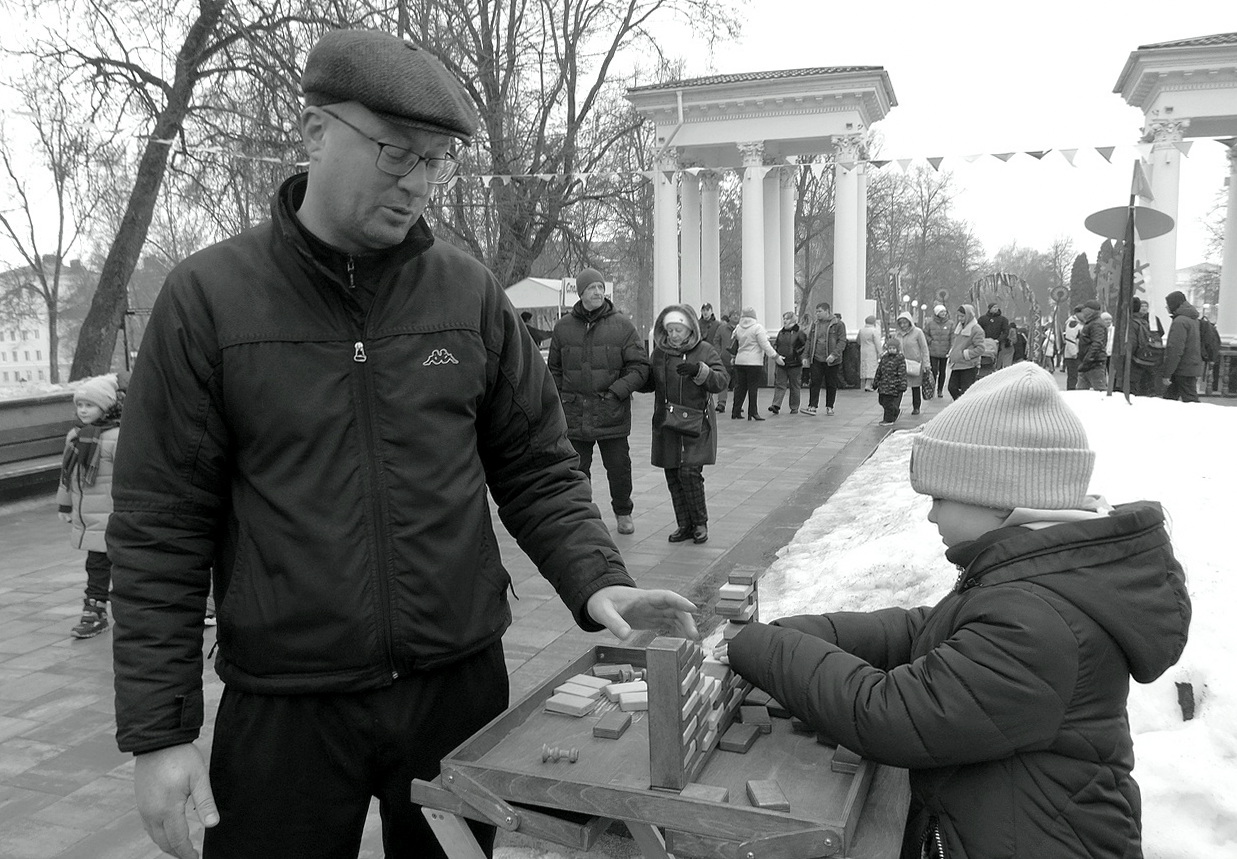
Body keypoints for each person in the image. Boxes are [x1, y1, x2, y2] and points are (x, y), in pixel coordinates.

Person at [106, 29, 698, 859]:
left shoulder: (467, 293)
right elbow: (158, 525)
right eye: (396, 154)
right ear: (316, 134)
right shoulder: (208, 300)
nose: (419, 183)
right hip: (286, 706)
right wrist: (161, 734)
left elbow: (534, 466)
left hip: (456, 690)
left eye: (437, 161)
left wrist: (601, 581)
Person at [722, 362, 1191, 859]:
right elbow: (924, 631)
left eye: (939, 497)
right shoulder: (1040, 575)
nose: (930, 513)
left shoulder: (1042, 623)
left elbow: (891, 715)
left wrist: (757, 644)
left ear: (996, 495)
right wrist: (798, 631)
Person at [549, 267, 650, 536]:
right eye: (591, 288)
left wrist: (617, 391)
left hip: (611, 411)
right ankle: (583, 517)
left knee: (619, 468)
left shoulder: (622, 326)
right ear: (580, 293)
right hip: (574, 413)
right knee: (576, 471)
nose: (597, 292)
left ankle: (623, 512)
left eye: (600, 288)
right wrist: (560, 398)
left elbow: (640, 367)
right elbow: (554, 371)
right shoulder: (563, 327)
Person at [641, 305, 728, 544]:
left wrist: (700, 371)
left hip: (696, 423)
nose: (673, 335)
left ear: (689, 328)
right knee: (672, 473)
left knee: (690, 472)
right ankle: (684, 524)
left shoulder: (705, 350)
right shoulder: (660, 353)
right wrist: (633, 374)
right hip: (667, 422)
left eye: (678, 329)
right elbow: (649, 382)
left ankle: (699, 523)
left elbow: (721, 380)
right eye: (670, 330)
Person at [57, 374, 122, 639]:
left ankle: (130, 609)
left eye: (89, 405)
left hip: (115, 516)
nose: (83, 410)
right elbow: (67, 474)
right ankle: (94, 611)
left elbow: (129, 476)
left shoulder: (117, 436)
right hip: (90, 519)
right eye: (80, 405)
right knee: (96, 565)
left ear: (105, 407)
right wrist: (64, 505)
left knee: (124, 565)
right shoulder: (75, 436)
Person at [729, 306, 783, 421]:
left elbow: (734, 343)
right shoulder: (757, 328)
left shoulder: (738, 328)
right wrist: (776, 357)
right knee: (752, 388)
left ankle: (736, 411)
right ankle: (753, 412)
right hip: (754, 362)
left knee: (740, 387)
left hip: (740, 361)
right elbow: (765, 345)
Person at [804, 303, 846, 416]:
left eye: (819, 311)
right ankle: (812, 406)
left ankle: (829, 406)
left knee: (831, 383)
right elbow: (809, 340)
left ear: (827, 311)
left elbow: (842, 341)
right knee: (814, 382)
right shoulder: (815, 324)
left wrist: (834, 354)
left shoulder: (838, 324)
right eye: (816, 311)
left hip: (831, 360)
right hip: (816, 357)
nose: (817, 314)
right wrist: (805, 356)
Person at [1162, 290, 1203, 404]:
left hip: (1182, 368)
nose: (1166, 307)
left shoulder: (1180, 321)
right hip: (1190, 365)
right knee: (1170, 399)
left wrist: (1167, 373)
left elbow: (1175, 349)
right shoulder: (1192, 319)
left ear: (1174, 304)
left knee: (1190, 401)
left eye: (1168, 304)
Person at [769, 311, 806, 415]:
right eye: (784, 318)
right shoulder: (781, 332)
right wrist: (776, 352)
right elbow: (776, 343)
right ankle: (776, 405)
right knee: (780, 384)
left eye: (787, 318)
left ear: (793, 320)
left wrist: (797, 353)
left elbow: (805, 345)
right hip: (782, 362)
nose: (785, 321)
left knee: (795, 386)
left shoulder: (799, 332)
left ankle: (794, 407)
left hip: (795, 363)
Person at [698, 303, 733, 413]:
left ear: (711, 311)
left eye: (707, 310)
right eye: (703, 310)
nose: (705, 312)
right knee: (702, 379)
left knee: (720, 377)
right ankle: (704, 400)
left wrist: (719, 353)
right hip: (700, 355)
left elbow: (719, 340)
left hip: (714, 355)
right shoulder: (697, 324)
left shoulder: (718, 325)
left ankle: (721, 403)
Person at [946, 304, 985, 400]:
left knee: (966, 390)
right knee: (952, 388)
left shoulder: (976, 329)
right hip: (957, 364)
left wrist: (966, 354)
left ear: (969, 315)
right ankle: (961, 405)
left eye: (962, 316)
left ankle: (965, 408)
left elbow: (980, 348)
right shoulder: (959, 328)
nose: (960, 318)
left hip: (969, 365)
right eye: (958, 316)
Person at [895, 311, 929, 415]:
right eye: (900, 323)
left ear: (910, 322)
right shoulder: (897, 334)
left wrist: (926, 363)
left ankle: (916, 407)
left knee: (915, 386)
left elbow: (924, 348)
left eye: (905, 323)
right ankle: (895, 407)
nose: (903, 325)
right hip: (901, 363)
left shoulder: (918, 332)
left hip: (915, 363)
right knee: (899, 386)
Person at [871, 335, 907, 426]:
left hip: (893, 386)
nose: (891, 350)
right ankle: (895, 411)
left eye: (893, 348)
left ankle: (888, 419)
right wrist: (875, 383)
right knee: (882, 401)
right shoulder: (884, 358)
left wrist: (902, 385)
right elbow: (879, 371)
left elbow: (902, 373)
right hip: (883, 384)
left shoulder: (900, 359)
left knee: (888, 403)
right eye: (890, 348)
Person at [1075, 299, 1109, 391]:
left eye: (1085, 308)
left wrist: (1087, 360)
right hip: (1088, 363)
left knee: (1100, 390)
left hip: (1094, 363)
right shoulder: (1091, 323)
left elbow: (1097, 344)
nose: (1083, 311)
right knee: (1081, 391)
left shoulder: (1096, 324)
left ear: (1090, 310)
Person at [923, 304, 952, 398]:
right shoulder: (930, 323)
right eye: (941, 312)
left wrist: (951, 347)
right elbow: (925, 333)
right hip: (933, 351)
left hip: (945, 351)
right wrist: (930, 341)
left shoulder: (950, 323)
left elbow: (952, 336)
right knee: (934, 371)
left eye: (944, 312)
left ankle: (940, 390)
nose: (943, 313)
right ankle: (932, 388)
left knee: (942, 371)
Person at [977, 302, 1011, 376]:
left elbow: (1005, 331)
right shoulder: (982, 319)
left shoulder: (1003, 320)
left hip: (997, 343)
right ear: (989, 309)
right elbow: (978, 330)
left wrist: (998, 339)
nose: (996, 309)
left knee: (996, 358)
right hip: (984, 342)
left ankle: (995, 370)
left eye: (996, 307)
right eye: (994, 307)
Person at [857, 315, 882, 392]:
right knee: (872, 366)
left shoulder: (861, 330)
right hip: (872, 350)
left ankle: (865, 383)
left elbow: (858, 340)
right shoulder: (874, 331)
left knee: (864, 365)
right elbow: (877, 342)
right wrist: (880, 352)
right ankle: (869, 385)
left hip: (863, 349)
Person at [1061, 305, 1083, 389]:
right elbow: (1070, 339)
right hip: (1073, 356)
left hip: (1079, 353)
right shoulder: (1072, 323)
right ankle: (1071, 392)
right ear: (1078, 313)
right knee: (1073, 377)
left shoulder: (1081, 322)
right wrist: (1074, 353)